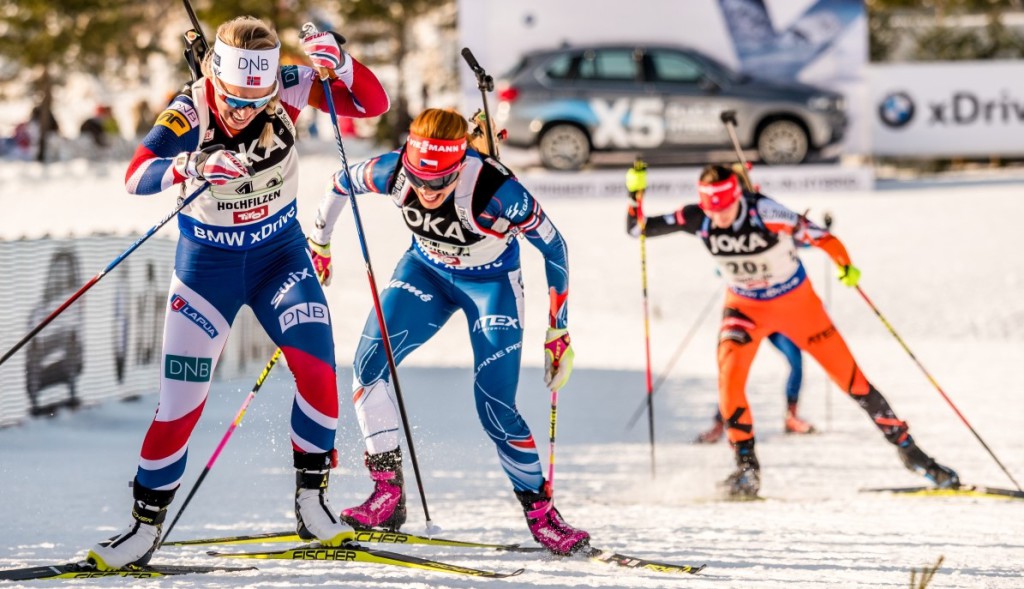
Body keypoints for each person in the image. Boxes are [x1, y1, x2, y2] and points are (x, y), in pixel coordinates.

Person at [85, 16, 389, 571]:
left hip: (280, 258)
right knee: (180, 404)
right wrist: (192, 163)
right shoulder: (190, 107)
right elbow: (134, 175)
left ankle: (311, 502)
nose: (244, 111)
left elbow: (371, 106)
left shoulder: (290, 85)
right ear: (214, 78)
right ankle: (143, 527)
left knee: (319, 373)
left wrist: (341, 65)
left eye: (258, 100)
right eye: (234, 99)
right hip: (208, 269)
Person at [306, 108, 589, 556]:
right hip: (425, 274)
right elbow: (339, 182)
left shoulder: (497, 192)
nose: (426, 191)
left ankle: (542, 516)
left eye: (438, 183)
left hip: (490, 286)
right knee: (366, 370)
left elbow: (554, 245)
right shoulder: (394, 171)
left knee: (494, 403)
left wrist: (559, 330)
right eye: (419, 179)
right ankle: (388, 494)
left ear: (459, 166)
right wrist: (319, 243)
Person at [624, 163, 959, 498]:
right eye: (713, 209)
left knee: (851, 379)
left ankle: (912, 453)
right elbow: (638, 229)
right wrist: (634, 195)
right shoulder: (697, 217)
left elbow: (823, 237)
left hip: (798, 306)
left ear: (737, 196)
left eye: (724, 207)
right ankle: (746, 468)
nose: (720, 216)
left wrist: (845, 265)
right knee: (729, 377)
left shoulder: (768, 212)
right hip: (745, 308)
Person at [695, 331, 813, 443]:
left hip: (777, 321)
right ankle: (720, 423)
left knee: (796, 361)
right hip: (751, 319)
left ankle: (791, 417)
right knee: (733, 367)